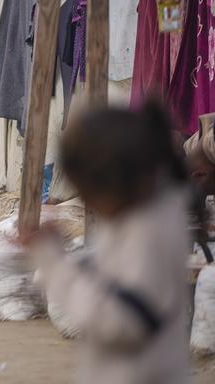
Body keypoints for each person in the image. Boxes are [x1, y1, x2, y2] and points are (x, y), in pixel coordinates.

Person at [24, 104, 203, 384]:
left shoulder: (148, 231)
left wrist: (53, 264)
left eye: (86, 193)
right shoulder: (143, 215)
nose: (87, 202)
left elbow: (120, 322)